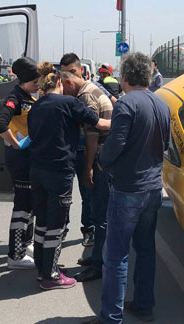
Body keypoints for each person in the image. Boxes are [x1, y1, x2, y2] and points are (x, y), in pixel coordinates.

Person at [88, 53, 170, 324]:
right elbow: (166, 145)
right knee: (145, 249)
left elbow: (115, 144)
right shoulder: (162, 104)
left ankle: (111, 317)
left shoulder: (125, 105)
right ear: (147, 76)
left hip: (127, 189)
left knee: (117, 254)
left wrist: (101, 163)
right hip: (152, 188)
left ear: (124, 78)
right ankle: (144, 305)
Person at [28, 62, 110, 290]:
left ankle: (42, 269)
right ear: (62, 83)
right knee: (57, 221)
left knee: (43, 221)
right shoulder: (69, 103)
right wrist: (125, 122)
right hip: (59, 171)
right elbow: (99, 124)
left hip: (37, 169)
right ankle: (52, 275)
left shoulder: (37, 106)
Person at [60, 53, 113, 282]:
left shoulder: (85, 97)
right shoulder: (91, 89)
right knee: (98, 210)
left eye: (64, 87)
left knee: (101, 215)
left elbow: (92, 138)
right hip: (103, 158)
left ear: (71, 79)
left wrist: (88, 168)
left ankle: (100, 265)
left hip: (100, 160)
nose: (63, 92)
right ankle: (97, 257)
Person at [0, 57, 40, 270]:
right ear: (25, 80)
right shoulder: (14, 98)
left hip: (27, 157)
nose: (38, 85)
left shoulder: (26, 96)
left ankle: (25, 244)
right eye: (35, 81)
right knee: (22, 206)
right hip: (19, 159)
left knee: (29, 204)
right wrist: (16, 144)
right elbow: (0, 123)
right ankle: (15, 254)